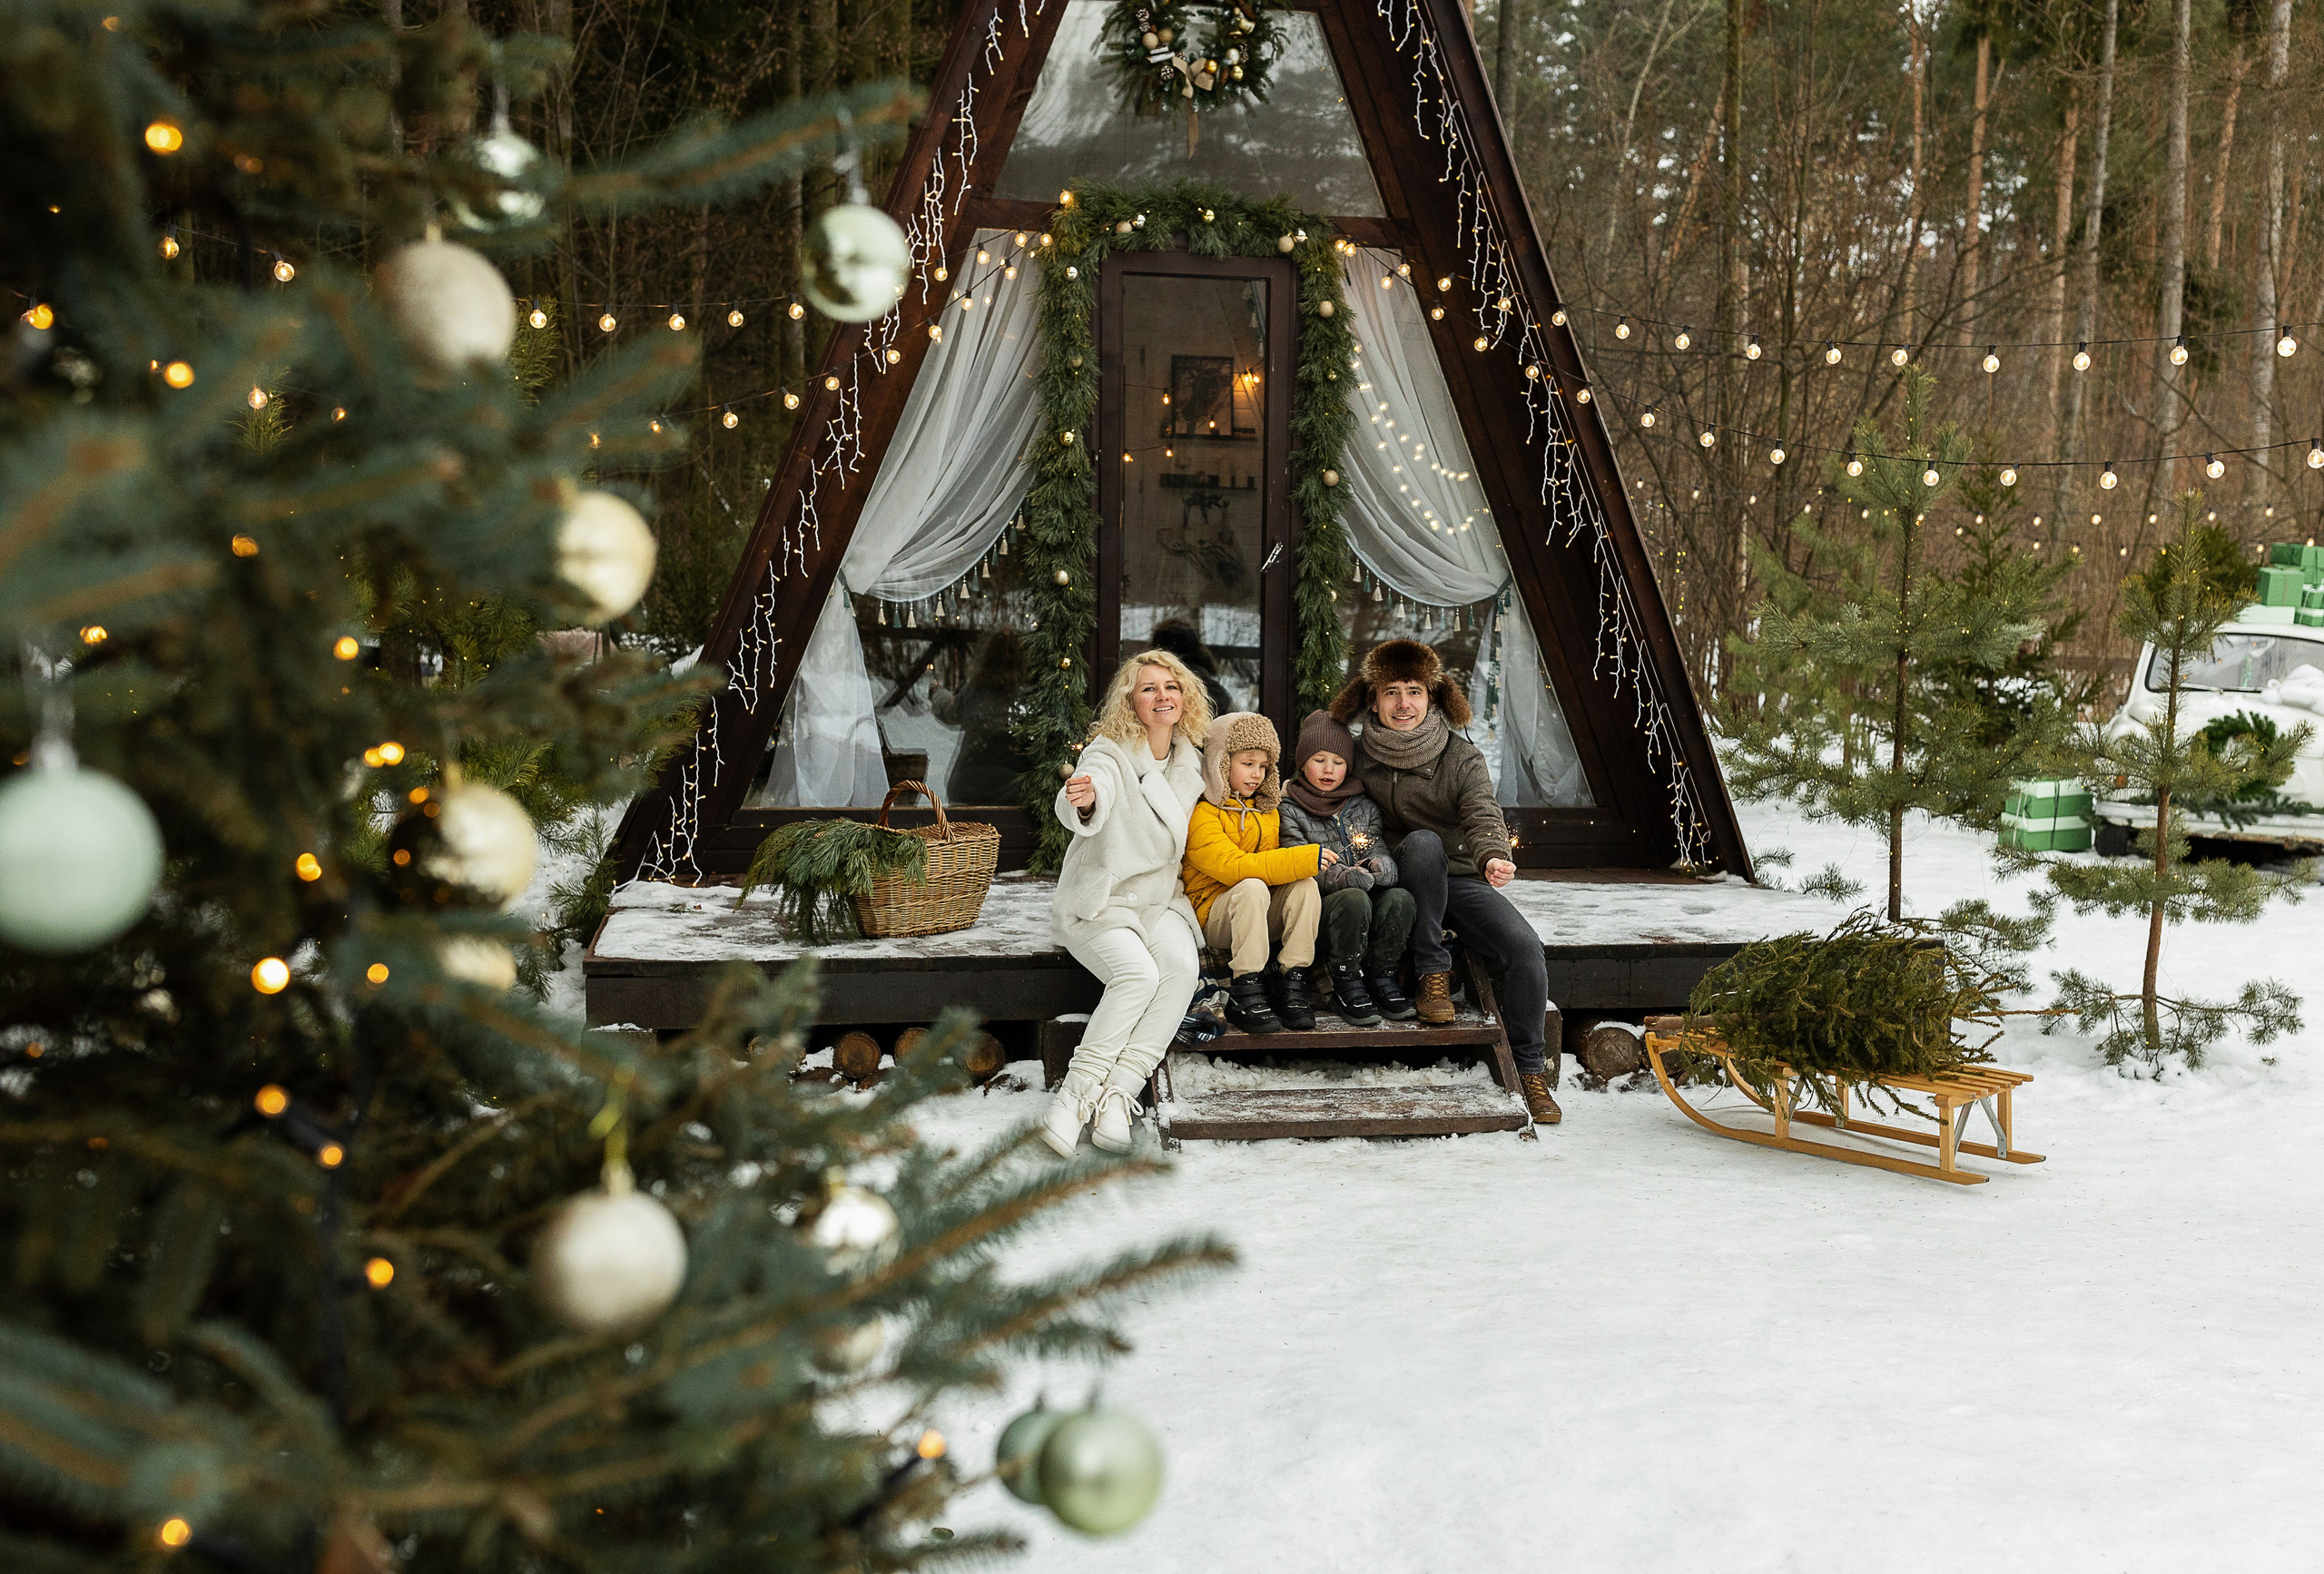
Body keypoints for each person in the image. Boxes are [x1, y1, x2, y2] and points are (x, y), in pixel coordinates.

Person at [1331, 638, 1561, 1125]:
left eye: (1414, 691)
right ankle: (1433, 973)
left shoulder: (1460, 756)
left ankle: (1529, 1068)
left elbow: (1481, 811)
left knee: (1525, 949)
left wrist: (1494, 855)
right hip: (1389, 881)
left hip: (1456, 876)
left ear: (1432, 698)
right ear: (1373, 700)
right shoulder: (1354, 754)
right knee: (1421, 844)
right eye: (1391, 692)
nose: (1403, 704)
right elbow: (1317, 787)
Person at [1046, 649, 1213, 1156]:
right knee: (1138, 974)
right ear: (1131, 701)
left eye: (1171, 687)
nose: (1162, 697)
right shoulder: (1110, 751)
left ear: (1185, 697)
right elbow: (1092, 784)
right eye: (1149, 689)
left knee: (1182, 970)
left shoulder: (1191, 761)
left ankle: (1119, 1094)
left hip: (1159, 900)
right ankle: (1075, 1095)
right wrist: (1083, 797)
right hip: (1104, 897)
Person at [1180, 712, 1325, 1033]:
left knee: (1304, 886)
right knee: (1251, 886)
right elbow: (1235, 868)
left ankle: (1293, 983)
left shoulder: (1267, 813)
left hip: (1255, 913)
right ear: (1221, 763)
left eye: (1263, 766)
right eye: (1248, 764)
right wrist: (1301, 858)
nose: (1257, 774)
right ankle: (1246, 989)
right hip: (1213, 917)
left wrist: (1302, 867)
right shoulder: (1203, 814)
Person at [1276, 709, 1417, 1026]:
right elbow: (1300, 861)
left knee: (1400, 899)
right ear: (1302, 763)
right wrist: (1345, 877)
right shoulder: (1290, 809)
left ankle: (1382, 975)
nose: (1329, 770)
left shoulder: (1363, 806)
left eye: (1339, 763)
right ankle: (1346, 979)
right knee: (1354, 898)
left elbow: (1376, 846)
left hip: (1365, 896)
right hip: (1323, 911)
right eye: (1319, 760)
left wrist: (1382, 866)